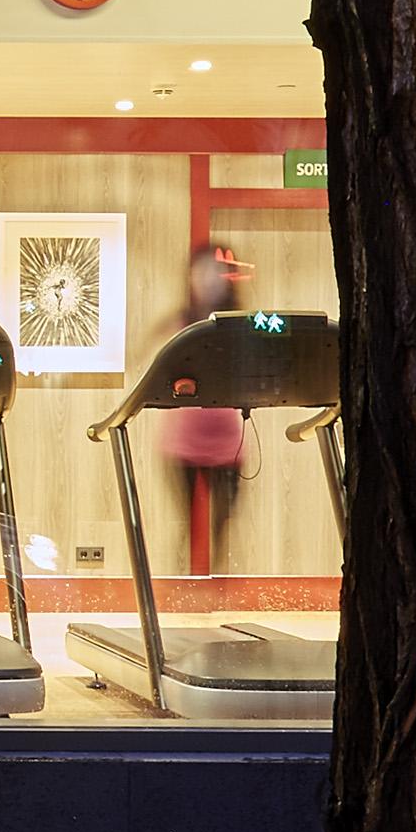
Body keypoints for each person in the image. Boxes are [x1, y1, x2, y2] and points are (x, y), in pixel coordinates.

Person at [161, 241, 251, 580]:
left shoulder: (239, 324)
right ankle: (185, 589)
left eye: (217, 273)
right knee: (187, 522)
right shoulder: (182, 322)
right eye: (202, 273)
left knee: (224, 523)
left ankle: (218, 591)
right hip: (185, 440)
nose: (209, 281)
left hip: (229, 441)